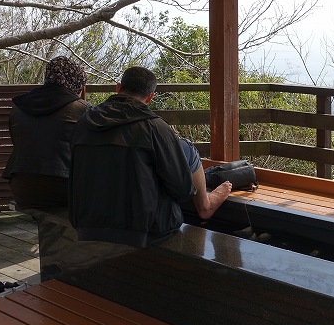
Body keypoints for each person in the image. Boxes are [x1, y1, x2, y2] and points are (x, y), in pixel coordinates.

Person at [69, 66, 228, 247]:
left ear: (118, 87)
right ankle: (205, 206)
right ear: (150, 97)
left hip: (86, 222)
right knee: (187, 148)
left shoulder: (84, 122)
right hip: (144, 229)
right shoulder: (156, 128)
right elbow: (183, 190)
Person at [3, 56, 88, 211]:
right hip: (64, 189)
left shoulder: (18, 107)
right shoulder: (81, 109)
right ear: (76, 82)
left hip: (22, 189)